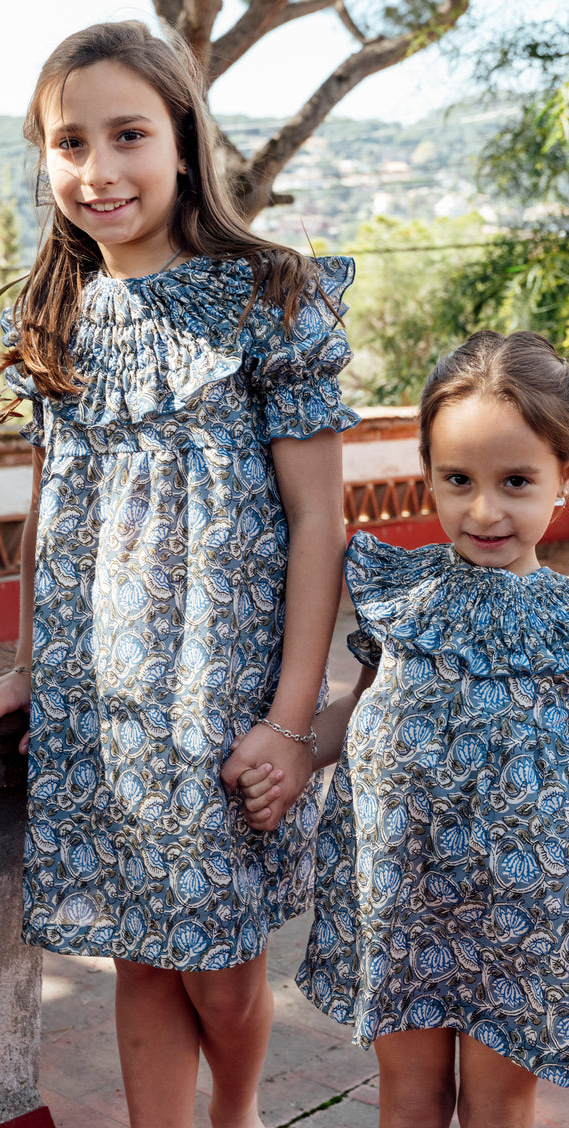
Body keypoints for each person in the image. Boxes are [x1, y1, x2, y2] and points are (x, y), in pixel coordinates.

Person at [0, 20, 358, 1128]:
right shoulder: (58, 314)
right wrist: (28, 668)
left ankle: (236, 1114)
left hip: (222, 699)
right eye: (68, 142)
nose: (98, 169)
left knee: (216, 964)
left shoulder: (271, 298)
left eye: (126, 134)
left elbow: (318, 520)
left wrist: (291, 721)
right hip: (99, 706)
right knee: (137, 953)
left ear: (180, 140)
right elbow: (56, 511)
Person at [241, 330, 569, 1127]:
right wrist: (295, 755)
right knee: (412, 1096)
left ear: (562, 478)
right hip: (404, 891)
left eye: (516, 481)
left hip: (520, 914)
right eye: (458, 479)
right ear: (428, 472)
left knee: (498, 1104)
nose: (484, 509)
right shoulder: (401, 593)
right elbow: (363, 706)